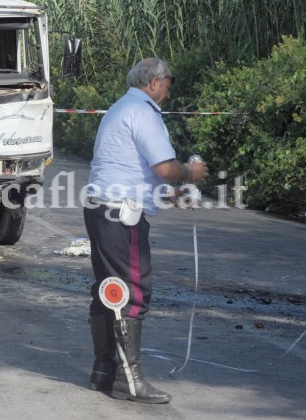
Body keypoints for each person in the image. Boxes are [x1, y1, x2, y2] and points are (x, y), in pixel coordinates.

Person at [83, 58, 208, 404]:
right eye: (168, 85)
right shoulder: (144, 111)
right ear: (154, 82)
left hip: (100, 206)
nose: (168, 93)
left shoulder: (119, 108)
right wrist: (189, 173)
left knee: (108, 290)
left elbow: (132, 170)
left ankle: (104, 371)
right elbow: (166, 168)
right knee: (132, 292)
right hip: (121, 215)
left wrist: (170, 193)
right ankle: (130, 380)